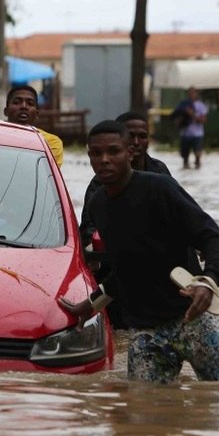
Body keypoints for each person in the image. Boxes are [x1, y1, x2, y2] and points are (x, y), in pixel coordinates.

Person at [59, 120, 219, 384]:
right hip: (146, 332)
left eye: (113, 151)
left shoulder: (160, 189)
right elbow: (126, 270)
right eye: (96, 154)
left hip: (194, 320)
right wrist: (89, 305)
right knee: (144, 414)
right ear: (89, 156)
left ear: (129, 153)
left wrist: (208, 281)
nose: (105, 160)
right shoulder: (98, 205)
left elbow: (213, 238)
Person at [79, 111, 172, 329]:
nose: (137, 143)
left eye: (143, 136)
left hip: (159, 274)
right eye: (132, 137)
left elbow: (196, 227)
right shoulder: (99, 190)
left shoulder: (161, 179)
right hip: (118, 270)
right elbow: (88, 233)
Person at [3, 85, 63, 167]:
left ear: (36, 114)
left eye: (30, 103)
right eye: (17, 102)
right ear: (6, 111)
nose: (24, 106)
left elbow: (45, 172)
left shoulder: (51, 143)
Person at [174, 86, 208, 169]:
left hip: (197, 134)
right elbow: (176, 119)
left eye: (193, 92)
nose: (191, 94)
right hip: (185, 134)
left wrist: (192, 114)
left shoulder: (200, 106)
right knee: (185, 157)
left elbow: (203, 120)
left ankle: (197, 166)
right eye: (190, 92)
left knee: (197, 154)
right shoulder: (183, 105)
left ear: (196, 94)